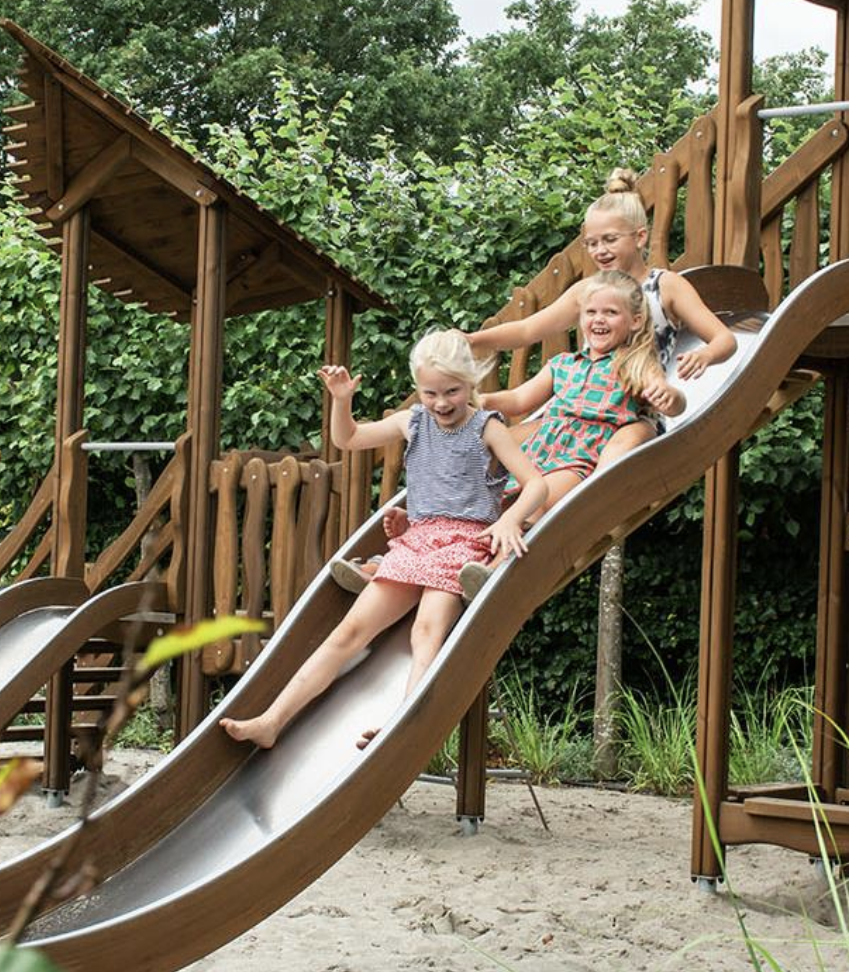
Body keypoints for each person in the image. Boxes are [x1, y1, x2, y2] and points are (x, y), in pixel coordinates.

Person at [219, 329, 548, 750]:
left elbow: (535, 484)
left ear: (471, 384)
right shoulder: (412, 423)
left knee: (426, 632)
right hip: (417, 541)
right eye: (430, 393)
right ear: (417, 389)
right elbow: (348, 439)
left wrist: (512, 519)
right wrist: (341, 400)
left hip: (465, 544)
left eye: (452, 391)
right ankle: (272, 721)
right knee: (348, 632)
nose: (442, 402)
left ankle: (403, 721)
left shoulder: (487, 428)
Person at [337, 270, 688, 601]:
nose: (598, 320)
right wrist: (479, 400)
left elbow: (668, 399)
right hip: (541, 448)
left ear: (636, 320)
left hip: (580, 457)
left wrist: (670, 399)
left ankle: (491, 569)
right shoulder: (563, 364)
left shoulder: (637, 364)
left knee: (538, 506)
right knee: (483, 509)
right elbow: (521, 399)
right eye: (591, 311)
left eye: (610, 312)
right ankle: (387, 563)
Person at [466, 167, 735, 463]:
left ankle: (588, 503)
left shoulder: (665, 286)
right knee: (494, 445)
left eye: (609, 239)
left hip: (632, 414)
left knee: (615, 451)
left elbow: (725, 339)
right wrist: (473, 340)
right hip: (580, 412)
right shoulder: (588, 291)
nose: (600, 250)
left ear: (640, 237)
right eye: (592, 243)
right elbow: (527, 330)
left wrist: (706, 355)